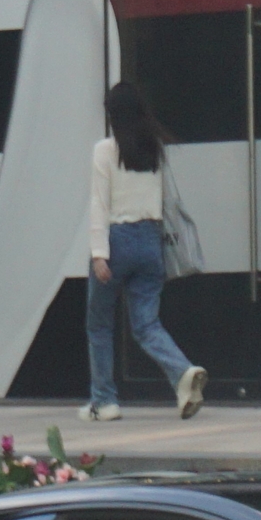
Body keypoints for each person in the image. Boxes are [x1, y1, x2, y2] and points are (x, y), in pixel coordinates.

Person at [85, 82, 206, 422]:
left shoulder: (105, 150)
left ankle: (104, 402)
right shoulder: (153, 148)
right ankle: (182, 373)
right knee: (146, 323)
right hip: (151, 242)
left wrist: (98, 253)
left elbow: (99, 203)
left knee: (99, 323)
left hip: (118, 240)